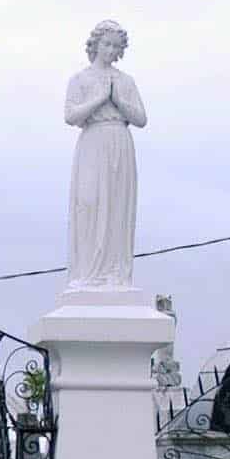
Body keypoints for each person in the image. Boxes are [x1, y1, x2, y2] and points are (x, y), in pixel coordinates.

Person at [64, 20, 147, 289]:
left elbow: (141, 119)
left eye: (116, 46)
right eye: (106, 44)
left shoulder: (125, 81)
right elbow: (71, 116)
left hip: (119, 141)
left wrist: (118, 100)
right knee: (89, 203)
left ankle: (115, 273)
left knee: (116, 207)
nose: (110, 50)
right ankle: (87, 273)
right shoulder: (80, 79)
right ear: (96, 44)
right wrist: (100, 98)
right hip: (93, 141)